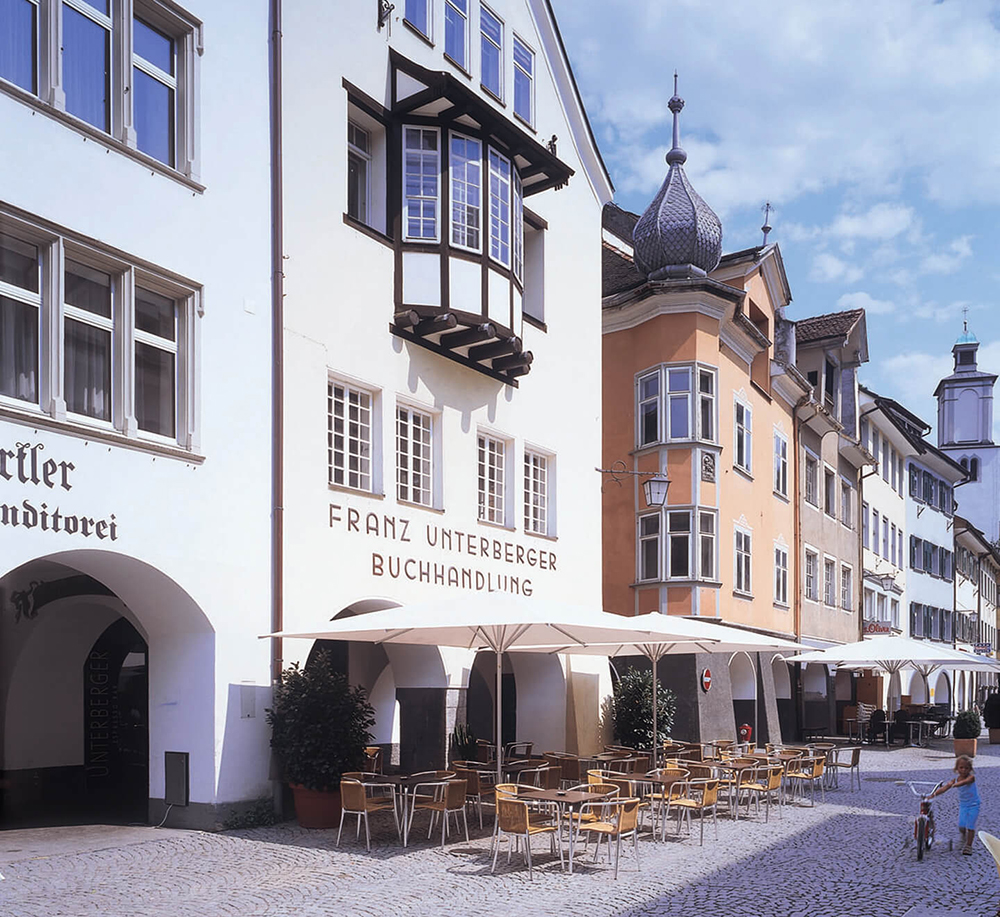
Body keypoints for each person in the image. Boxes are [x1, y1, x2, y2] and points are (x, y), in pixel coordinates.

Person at [930, 754, 980, 855]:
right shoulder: (955, 780)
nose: (964, 770)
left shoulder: (971, 777)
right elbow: (944, 789)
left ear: (970, 769)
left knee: (970, 825)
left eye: (966, 768)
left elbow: (965, 782)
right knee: (961, 825)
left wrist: (954, 785)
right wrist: (933, 795)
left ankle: (968, 846)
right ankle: (964, 836)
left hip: (974, 804)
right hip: (963, 805)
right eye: (961, 767)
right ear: (957, 768)